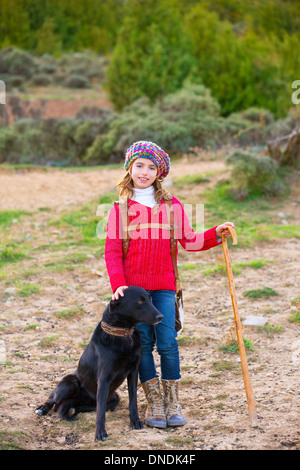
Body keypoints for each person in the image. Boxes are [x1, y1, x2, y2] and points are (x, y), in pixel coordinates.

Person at [104, 141, 234, 429]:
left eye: (151, 167)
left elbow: (189, 239)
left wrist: (216, 233)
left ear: (158, 173)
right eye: (139, 165)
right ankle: (154, 403)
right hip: (134, 293)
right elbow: (112, 251)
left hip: (164, 286)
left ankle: (173, 401)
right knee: (143, 344)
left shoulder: (171, 205)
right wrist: (119, 285)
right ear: (130, 168)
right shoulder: (120, 209)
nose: (144, 171)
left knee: (168, 342)